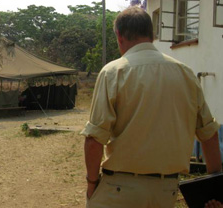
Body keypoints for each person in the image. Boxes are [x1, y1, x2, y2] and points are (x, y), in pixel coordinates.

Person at [80, 6, 222, 208]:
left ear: (119, 36)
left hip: (119, 190)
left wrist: (91, 184)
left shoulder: (113, 72)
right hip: (165, 192)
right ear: (152, 35)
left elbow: (94, 140)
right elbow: (210, 135)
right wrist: (214, 191)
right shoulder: (186, 74)